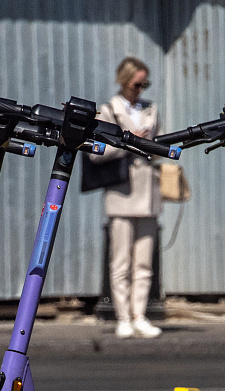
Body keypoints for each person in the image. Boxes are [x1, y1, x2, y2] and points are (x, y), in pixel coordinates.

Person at [93, 56, 162, 338]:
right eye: (137, 83)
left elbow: (162, 145)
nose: (141, 89)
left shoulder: (151, 108)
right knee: (120, 260)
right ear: (124, 80)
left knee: (144, 262)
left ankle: (140, 315)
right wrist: (127, 140)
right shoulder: (108, 110)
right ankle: (122, 317)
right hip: (122, 191)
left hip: (148, 192)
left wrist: (151, 144)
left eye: (145, 83)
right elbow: (96, 151)